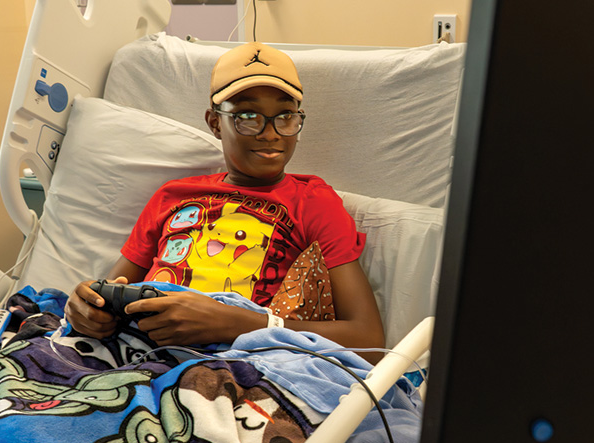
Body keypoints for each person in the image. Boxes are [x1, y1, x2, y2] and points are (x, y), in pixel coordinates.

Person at [65, 42, 384, 354]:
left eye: (285, 116)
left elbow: (368, 340)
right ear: (215, 123)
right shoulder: (172, 196)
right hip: (140, 347)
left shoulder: (313, 202)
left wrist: (236, 323)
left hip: (233, 359)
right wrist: (87, 310)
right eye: (248, 116)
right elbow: (110, 292)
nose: (270, 133)